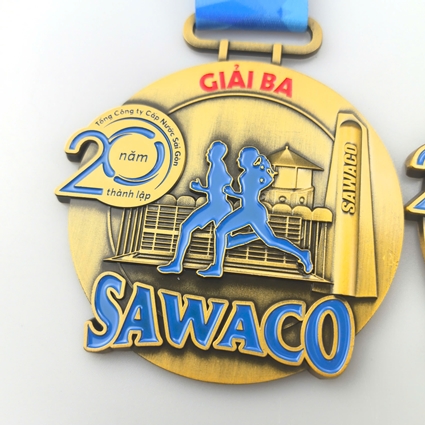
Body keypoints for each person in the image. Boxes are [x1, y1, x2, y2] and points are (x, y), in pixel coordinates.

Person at [197, 146, 313, 278]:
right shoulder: (248, 174)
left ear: (248, 159)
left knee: (270, 240)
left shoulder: (250, 175)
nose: (238, 159)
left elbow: (248, 195)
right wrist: (235, 192)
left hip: (252, 211)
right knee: (223, 234)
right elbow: (253, 191)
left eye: (241, 157)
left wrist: (233, 193)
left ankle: (302, 254)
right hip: (248, 210)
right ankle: (219, 265)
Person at [157, 140, 233, 274]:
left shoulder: (218, 168)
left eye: (211, 150)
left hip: (217, 207)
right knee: (225, 238)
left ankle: (178, 264)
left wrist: (199, 188)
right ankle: (179, 264)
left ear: (216, 153)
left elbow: (216, 191)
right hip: (218, 206)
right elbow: (218, 189)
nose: (208, 152)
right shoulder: (216, 167)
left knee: (187, 227)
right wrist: (202, 188)